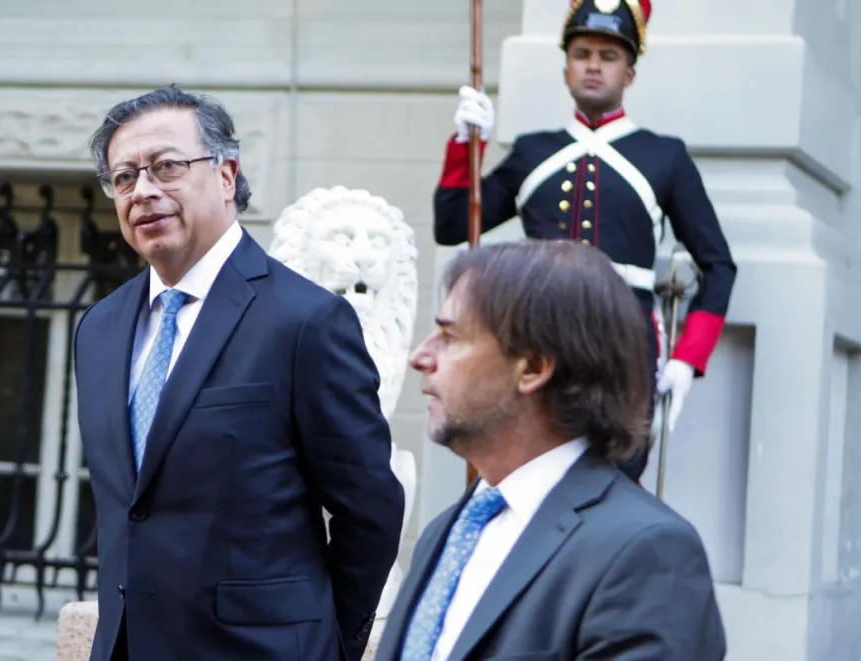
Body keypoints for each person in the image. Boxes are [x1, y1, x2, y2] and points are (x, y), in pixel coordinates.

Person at [74, 85, 405, 661]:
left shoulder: (306, 320)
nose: (143, 190)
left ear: (227, 175)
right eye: (124, 177)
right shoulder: (99, 327)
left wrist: (330, 645)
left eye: (166, 167)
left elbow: (369, 509)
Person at [374, 239, 726, 661]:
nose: (420, 356)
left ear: (534, 368)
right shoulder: (448, 530)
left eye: (450, 337)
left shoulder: (645, 553)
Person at [432, 0, 737, 480]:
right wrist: (465, 143)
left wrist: (685, 359)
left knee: (610, 480)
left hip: (626, 343)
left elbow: (719, 266)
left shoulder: (664, 157)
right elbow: (451, 226)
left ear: (630, 74)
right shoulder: (533, 151)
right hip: (533, 337)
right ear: (566, 67)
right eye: (582, 53)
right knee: (523, 477)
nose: (593, 65)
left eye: (609, 56)